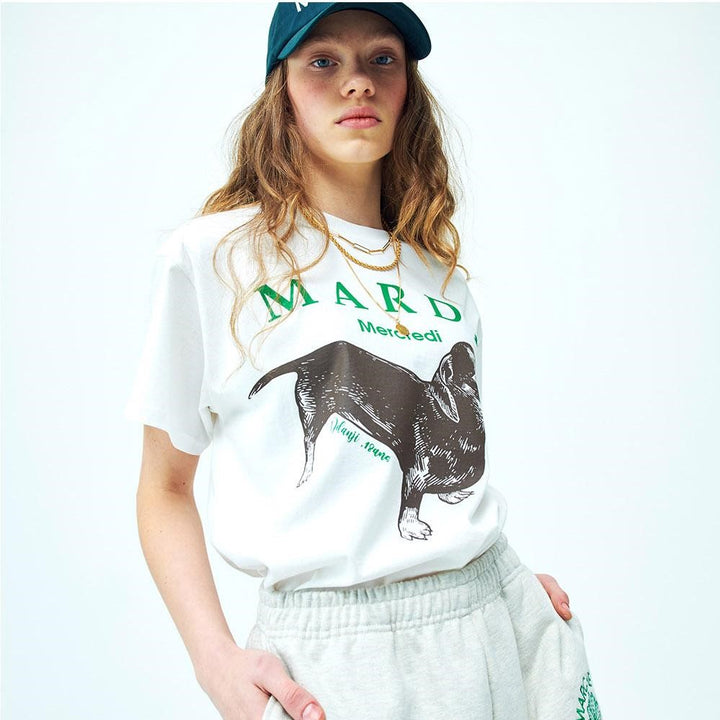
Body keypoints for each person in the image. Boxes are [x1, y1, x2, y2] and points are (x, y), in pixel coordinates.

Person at [125, 3, 602, 719]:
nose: (358, 83)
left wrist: (493, 583)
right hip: (329, 657)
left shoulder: (441, 278)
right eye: (324, 61)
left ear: (408, 88)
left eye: (383, 59)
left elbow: (443, 461)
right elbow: (164, 487)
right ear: (282, 90)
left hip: (492, 619)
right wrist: (213, 660)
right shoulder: (214, 258)